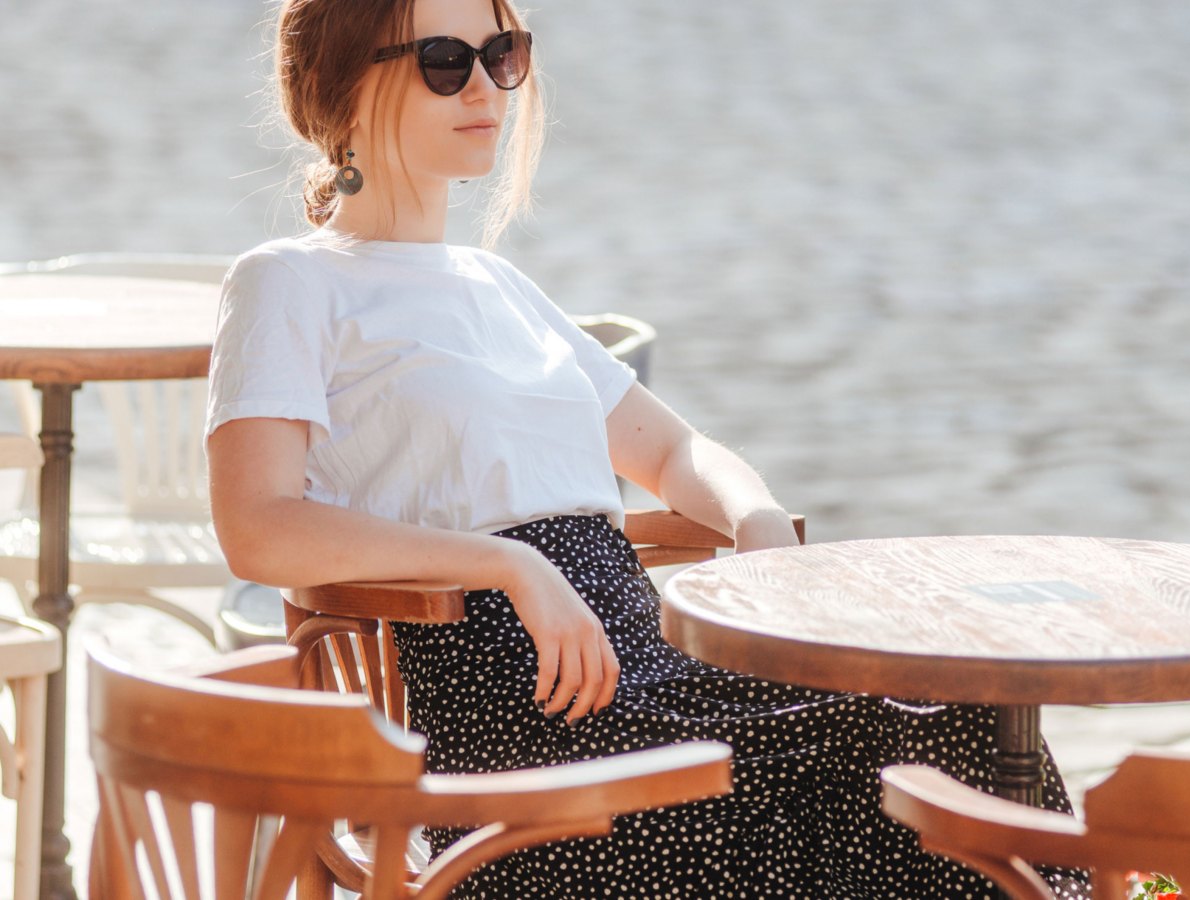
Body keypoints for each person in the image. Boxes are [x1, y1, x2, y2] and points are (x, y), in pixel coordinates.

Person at [205, 0, 1087, 896]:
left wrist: (760, 526)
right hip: (527, 717)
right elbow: (260, 527)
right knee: (927, 733)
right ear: (341, 86)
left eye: (502, 54)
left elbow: (676, 455)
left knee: (962, 704)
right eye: (444, 61)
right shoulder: (289, 281)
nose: (486, 88)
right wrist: (510, 568)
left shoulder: (499, 286)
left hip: (646, 670)